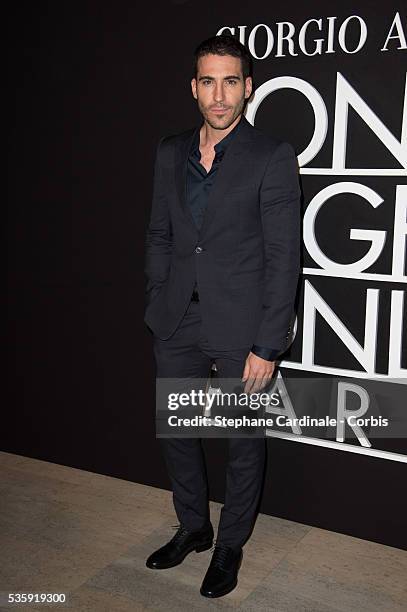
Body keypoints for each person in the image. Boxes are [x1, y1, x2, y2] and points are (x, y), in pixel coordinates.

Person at [143, 34, 301, 598]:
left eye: (230, 81)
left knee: (241, 440)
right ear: (194, 87)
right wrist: (158, 294)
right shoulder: (170, 151)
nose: (219, 94)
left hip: (242, 325)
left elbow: (285, 258)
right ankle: (193, 527)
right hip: (178, 317)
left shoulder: (272, 155)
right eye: (208, 81)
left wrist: (268, 344)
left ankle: (230, 544)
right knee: (177, 432)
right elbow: (160, 233)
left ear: (247, 88)